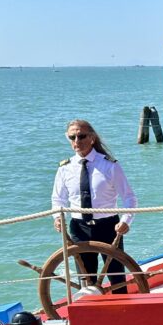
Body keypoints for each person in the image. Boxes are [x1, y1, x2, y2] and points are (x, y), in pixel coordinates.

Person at [51, 119, 137, 291]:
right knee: (86, 284)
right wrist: (57, 217)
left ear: (92, 138)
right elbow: (58, 200)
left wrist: (126, 221)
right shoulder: (64, 168)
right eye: (72, 137)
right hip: (79, 229)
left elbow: (129, 198)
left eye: (81, 136)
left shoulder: (110, 165)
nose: (77, 141)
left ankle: (122, 306)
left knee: (117, 279)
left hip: (109, 227)